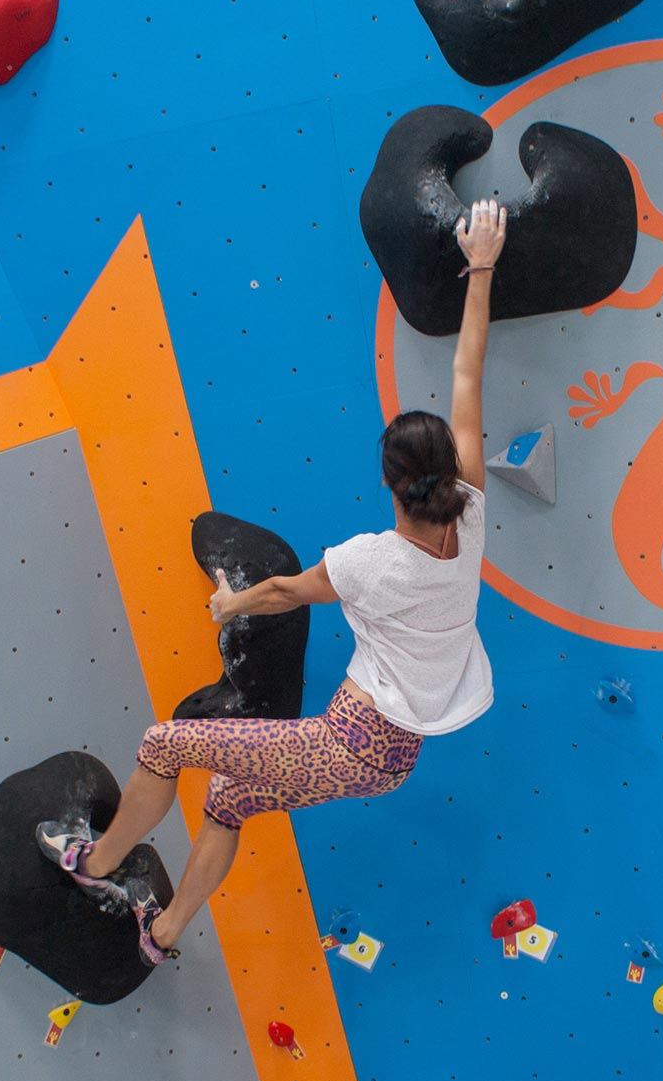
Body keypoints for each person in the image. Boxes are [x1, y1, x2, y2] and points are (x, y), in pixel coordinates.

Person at [37, 198, 510, 964]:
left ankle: (91, 866)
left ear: (389, 483)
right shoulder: (474, 514)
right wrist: (481, 267)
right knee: (228, 798)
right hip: (392, 755)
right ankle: (161, 935)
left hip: (348, 743)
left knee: (164, 742)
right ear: (449, 474)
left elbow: (285, 592)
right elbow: (470, 374)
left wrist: (229, 604)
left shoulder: (370, 559)